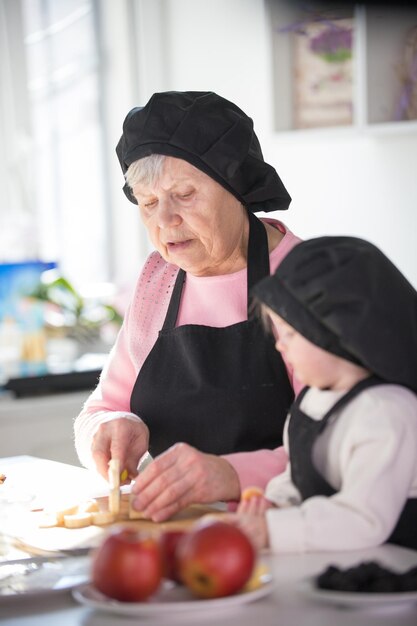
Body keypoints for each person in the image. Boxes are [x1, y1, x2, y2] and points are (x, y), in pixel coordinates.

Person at [74, 91, 303, 521]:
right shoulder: (158, 279)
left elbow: (341, 446)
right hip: (172, 537)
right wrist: (110, 431)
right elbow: (100, 409)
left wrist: (230, 474)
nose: (165, 221)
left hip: (282, 537)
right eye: (148, 203)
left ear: (237, 188)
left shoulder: (307, 281)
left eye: (184, 194)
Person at [234, 235, 417, 553]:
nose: (280, 345)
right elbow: (298, 477)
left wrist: (274, 530)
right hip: (340, 561)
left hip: (398, 570)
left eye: (290, 333)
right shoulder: (312, 401)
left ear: (337, 334)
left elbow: (362, 520)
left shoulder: (386, 412)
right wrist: (276, 504)